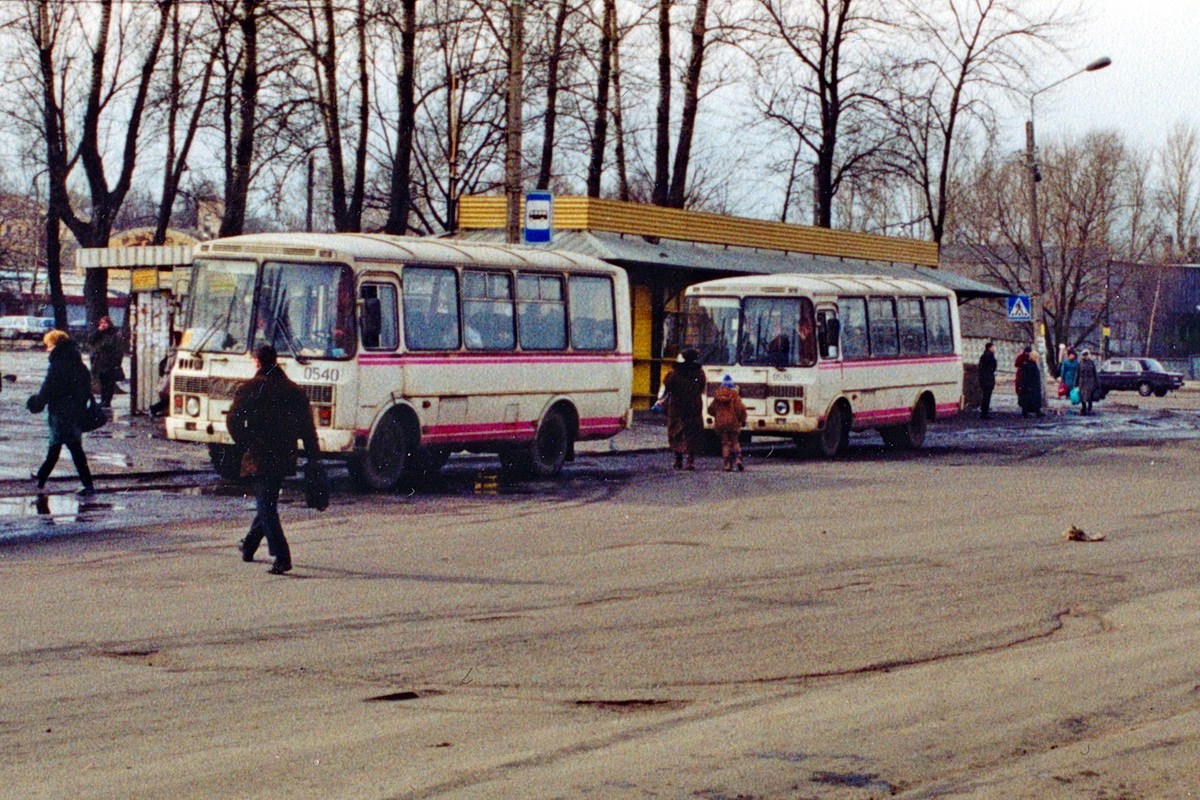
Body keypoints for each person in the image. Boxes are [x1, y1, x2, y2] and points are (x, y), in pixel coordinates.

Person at [227, 345, 319, 574]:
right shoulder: (294, 390)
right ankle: (248, 545)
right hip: (285, 454)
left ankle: (282, 555)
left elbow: (233, 421)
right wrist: (313, 457)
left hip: (259, 454)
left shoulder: (250, 388)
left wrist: (245, 443)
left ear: (257, 362)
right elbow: (307, 428)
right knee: (266, 501)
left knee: (266, 506)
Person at [27, 330, 95, 496]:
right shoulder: (79, 364)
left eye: (48, 345)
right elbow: (86, 388)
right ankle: (42, 476)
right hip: (76, 413)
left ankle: (87, 485)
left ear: (55, 344)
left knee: (64, 448)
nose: (47, 349)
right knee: (65, 447)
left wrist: (35, 403)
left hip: (60, 413)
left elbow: (47, 389)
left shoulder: (57, 365)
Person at [662, 347, 706, 470]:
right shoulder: (699, 372)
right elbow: (702, 386)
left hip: (677, 405)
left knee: (676, 431)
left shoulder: (675, 371)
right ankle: (690, 461)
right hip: (693, 405)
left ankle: (678, 460)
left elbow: (667, 385)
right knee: (692, 432)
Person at [707, 374, 748, 472]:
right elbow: (740, 409)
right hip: (733, 422)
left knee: (725, 443)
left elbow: (710, 410)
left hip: (721, 423)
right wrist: (742, 419)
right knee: (735, 441)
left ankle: (727, 464)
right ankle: (738, 459)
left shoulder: (717, 396)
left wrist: (718, 415)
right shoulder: (734, 395)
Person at [89, 315, 126, 408]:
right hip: (100, 361)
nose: (103, 325)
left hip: (110, 361)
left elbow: (118, 349)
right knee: (102, 381)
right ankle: (103, 400)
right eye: (101, 323)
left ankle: (107, 400)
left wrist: (117, 362)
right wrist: (98, 331)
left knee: (109, 382)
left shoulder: (114, 334)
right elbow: (91, 340)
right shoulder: (100, 333)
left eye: (105, 323)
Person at [1017, 349, 1045, 418]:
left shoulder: (1032, 364)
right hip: (1030, 386)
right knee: (1028, 399)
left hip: (1034, 385)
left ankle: (1037, 411)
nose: (1037, 359)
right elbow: (1026, 377)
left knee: (1034, 399)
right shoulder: (1028, 365)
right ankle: (1026, 413)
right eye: (1036, 357)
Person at [978, 342, 997, 419]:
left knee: (985, 395)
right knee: (987, 396)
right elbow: (993, 367)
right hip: (988, 379)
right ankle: (984, 413)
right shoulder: (989, 356)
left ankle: (984, 412)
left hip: (984, 378)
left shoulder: (983, 356)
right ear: (989, 348)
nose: (994, 349)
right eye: (993, 347)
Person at [1076, 349, 1099, 415]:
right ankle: (1084, 407)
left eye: (1086, 355)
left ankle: (1089, 407)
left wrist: (1096, 382)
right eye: (1084, 355)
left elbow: (1095, 373)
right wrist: (1076, 383)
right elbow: (1077, 373)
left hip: (1090, 381)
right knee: (1082, 395)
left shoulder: (1091, 363)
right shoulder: (1080, 363)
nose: (1085, 356)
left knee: (1089, 394)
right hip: (1082, 381)